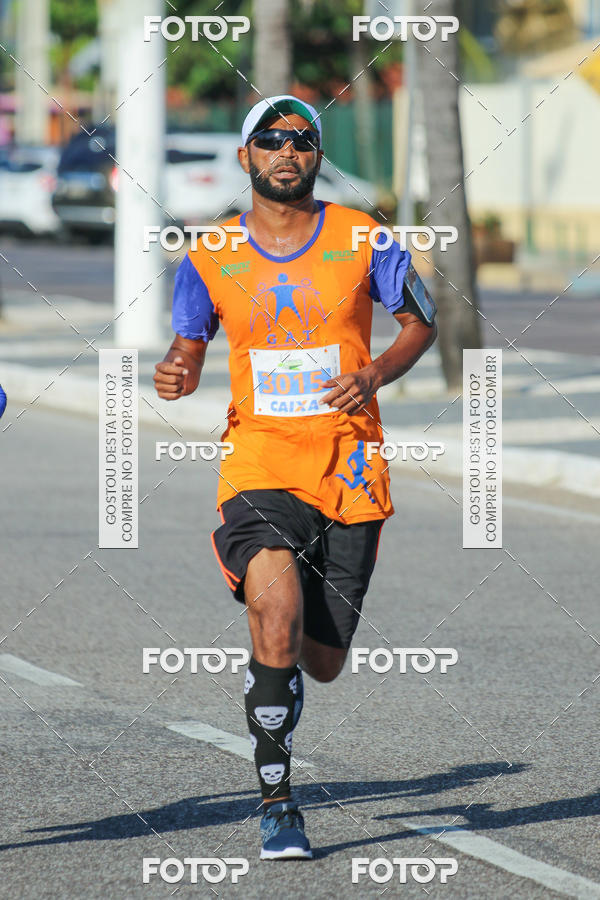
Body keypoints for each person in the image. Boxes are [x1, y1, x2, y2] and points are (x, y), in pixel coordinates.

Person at [154, 94, 437, 860]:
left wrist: (375, 372)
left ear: (316, 156)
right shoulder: (211, 253)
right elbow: (189, 345)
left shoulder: (362, 237)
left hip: (350, 466)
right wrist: (179, 370)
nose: (289, 150)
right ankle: (278, 802)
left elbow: (421, 321)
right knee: (272, 614)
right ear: (246, 157)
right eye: (271, 140)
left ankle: (289, 673)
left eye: (303, 140)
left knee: (324, 660)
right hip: (260, 461)